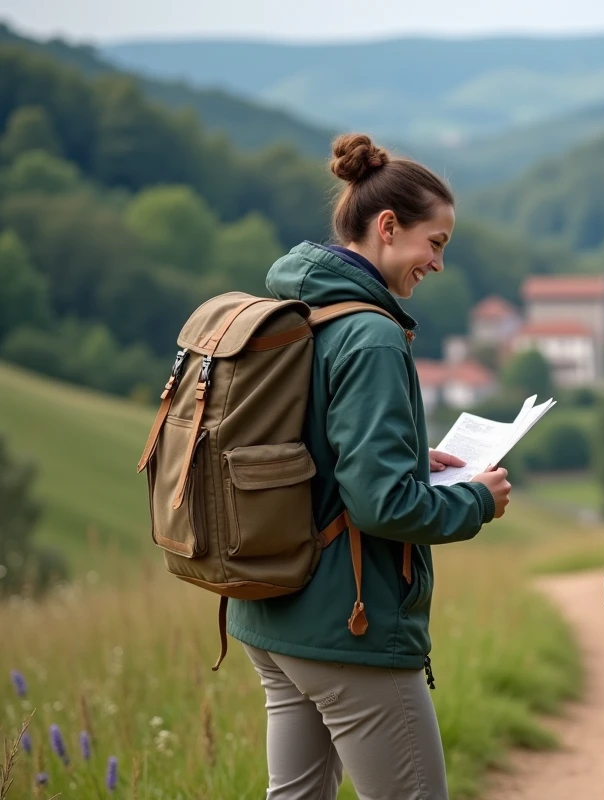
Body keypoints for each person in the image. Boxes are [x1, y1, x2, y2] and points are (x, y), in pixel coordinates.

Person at [227, 133, 512, 800]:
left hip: (270, 613)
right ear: (387, 228)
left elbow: (318, 451)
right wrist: (477, 500)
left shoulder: (297, 306)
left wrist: (415, 458)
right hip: (344, 626)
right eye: (435, 243)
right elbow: (383, 506)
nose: (438, 262)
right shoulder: (372, 334)